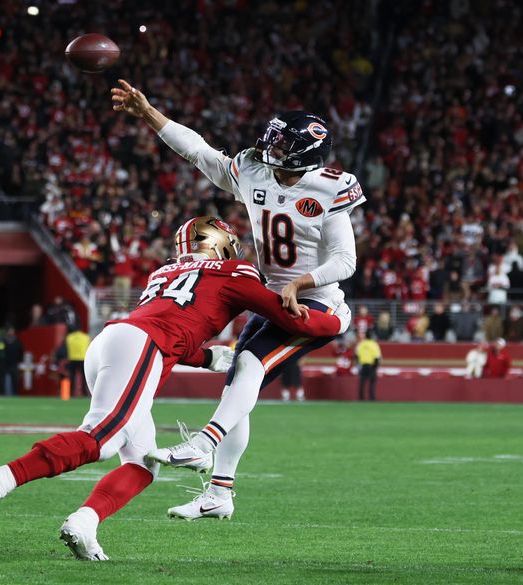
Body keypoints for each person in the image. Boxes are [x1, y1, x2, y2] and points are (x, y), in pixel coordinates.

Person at [0, 217, 348, 560]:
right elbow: (290, 317)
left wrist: (205, 358)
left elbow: (175, 327)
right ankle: (0, 477)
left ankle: (84, 522)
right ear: (220, 243)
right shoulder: (235, 272)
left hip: (112, 343)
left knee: (143, 462)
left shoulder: (163, 272)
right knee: (101, 439)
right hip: (139, 346)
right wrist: (337, 321)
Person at [113, 80, 360, 519]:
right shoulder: (254, 171)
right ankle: (220, 495)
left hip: (316, 304)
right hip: (274, 300)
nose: (270, 146)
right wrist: (150, 114)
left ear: (305, 150)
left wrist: (299, 283)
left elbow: (345, 260)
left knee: (246, 366)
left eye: (282, 143)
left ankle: (204, 445)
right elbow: (199, 152)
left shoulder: (331, 186)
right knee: (238, 389)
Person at [56, 325, 91, 397]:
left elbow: (63, 349)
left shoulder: (69, 337)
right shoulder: (86, 337)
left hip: (73, 359)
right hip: (83, 360)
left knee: (72, 377)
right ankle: (85, 393)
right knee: (84, 378)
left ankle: (71, 393)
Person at [355, 331, 382, 401]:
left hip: (363, 366)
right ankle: (371, 398)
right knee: (372, 383)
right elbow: (377, 356)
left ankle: (361, 398)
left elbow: (356, 356)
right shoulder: (374, 344)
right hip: (371, 366)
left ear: (365, 336)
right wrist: (376, 367)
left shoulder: (361, 344)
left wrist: (358, 366)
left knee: (362, 383)